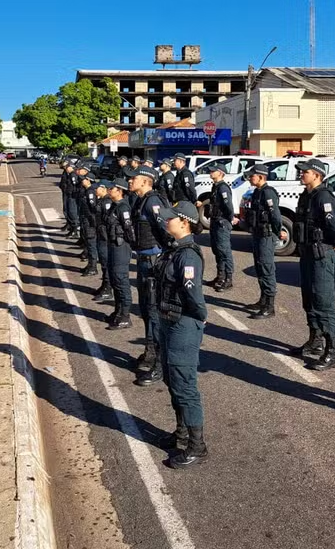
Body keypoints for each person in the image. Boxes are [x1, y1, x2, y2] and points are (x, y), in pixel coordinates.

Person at [156, 201, 209, 469]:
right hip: (169, 321)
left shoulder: (187, 255)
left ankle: (197, 445)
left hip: (183, 325)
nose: (166, 222)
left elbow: (192, 295)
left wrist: (200, 316)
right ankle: (181, 432)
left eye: (170, 219)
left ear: (184, 222)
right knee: (171, 379)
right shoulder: (173, 249)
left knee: (185, 385)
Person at [292, 159, 335, 371]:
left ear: (317, 175)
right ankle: (315, 341)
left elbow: (334, 226)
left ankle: (332, 352)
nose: (301, 174)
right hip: (307, 253)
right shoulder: (307, 195)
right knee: (309, 298)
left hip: (320, 254)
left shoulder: (323, 196)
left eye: (305, 172)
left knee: (324, 303)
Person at [129, 165, 172, 386]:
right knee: (146, 310)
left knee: (155, 312)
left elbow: (167, 231)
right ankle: (150, 351)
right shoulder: (141, 200)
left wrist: (167, 261)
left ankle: (159, 364)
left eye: (133, 178)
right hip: (144, 260)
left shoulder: (153, 202)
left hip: (154, 262)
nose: (129, 181)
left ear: (146, 181)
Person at [244, 164, 285, 318]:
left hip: (267, 236)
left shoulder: (268, 193)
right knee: (260, 266)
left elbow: (275, 216)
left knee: (267, 268)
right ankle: (263, 299)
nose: (249, 178)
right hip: (257, 234)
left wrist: (278, 231)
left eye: (252, 175)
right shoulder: (257, 192)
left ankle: (269, 306)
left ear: (261, 176)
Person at [106, 177, 136, 329]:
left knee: (120, 279)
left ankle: (125, 315)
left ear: (119, 191)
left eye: (112, 188)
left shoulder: (123, 208)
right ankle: (118, 311)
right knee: (114, 279)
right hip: (113, 246)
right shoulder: (114, 206)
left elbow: (129, 229)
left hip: (121, 247)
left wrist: (131, 245)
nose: (109, 190)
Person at [202, 164, 235, 291]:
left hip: (221, 223)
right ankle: (220, 277)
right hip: (215, 222)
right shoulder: (215, 187)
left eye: (213, 171)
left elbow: (229, 208)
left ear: (220, 173)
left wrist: (227, 220)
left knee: (224, 251)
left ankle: (228, 279)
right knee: (217, 250)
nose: (210, 172)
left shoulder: (223, 188)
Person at [93, 181, 115, 304]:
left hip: (105, 237)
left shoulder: (107, 202)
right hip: (101, 234)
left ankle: (108, 288)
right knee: (103, 261)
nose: (96, 190)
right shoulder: (102, 200)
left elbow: (108, 220)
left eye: (98, 188)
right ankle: (104, 285)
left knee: (106, 262)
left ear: (104, 189)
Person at [78, 171, 100, 276]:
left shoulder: (90, 192)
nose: (82, 180)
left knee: (91, 244)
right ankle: (90, 264)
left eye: (84, 179)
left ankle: (93, 267)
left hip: (90, 222)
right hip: (86, 220)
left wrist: (92, 222)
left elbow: (93, 208)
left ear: (89, 180)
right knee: (88, 243)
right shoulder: (86, 190)